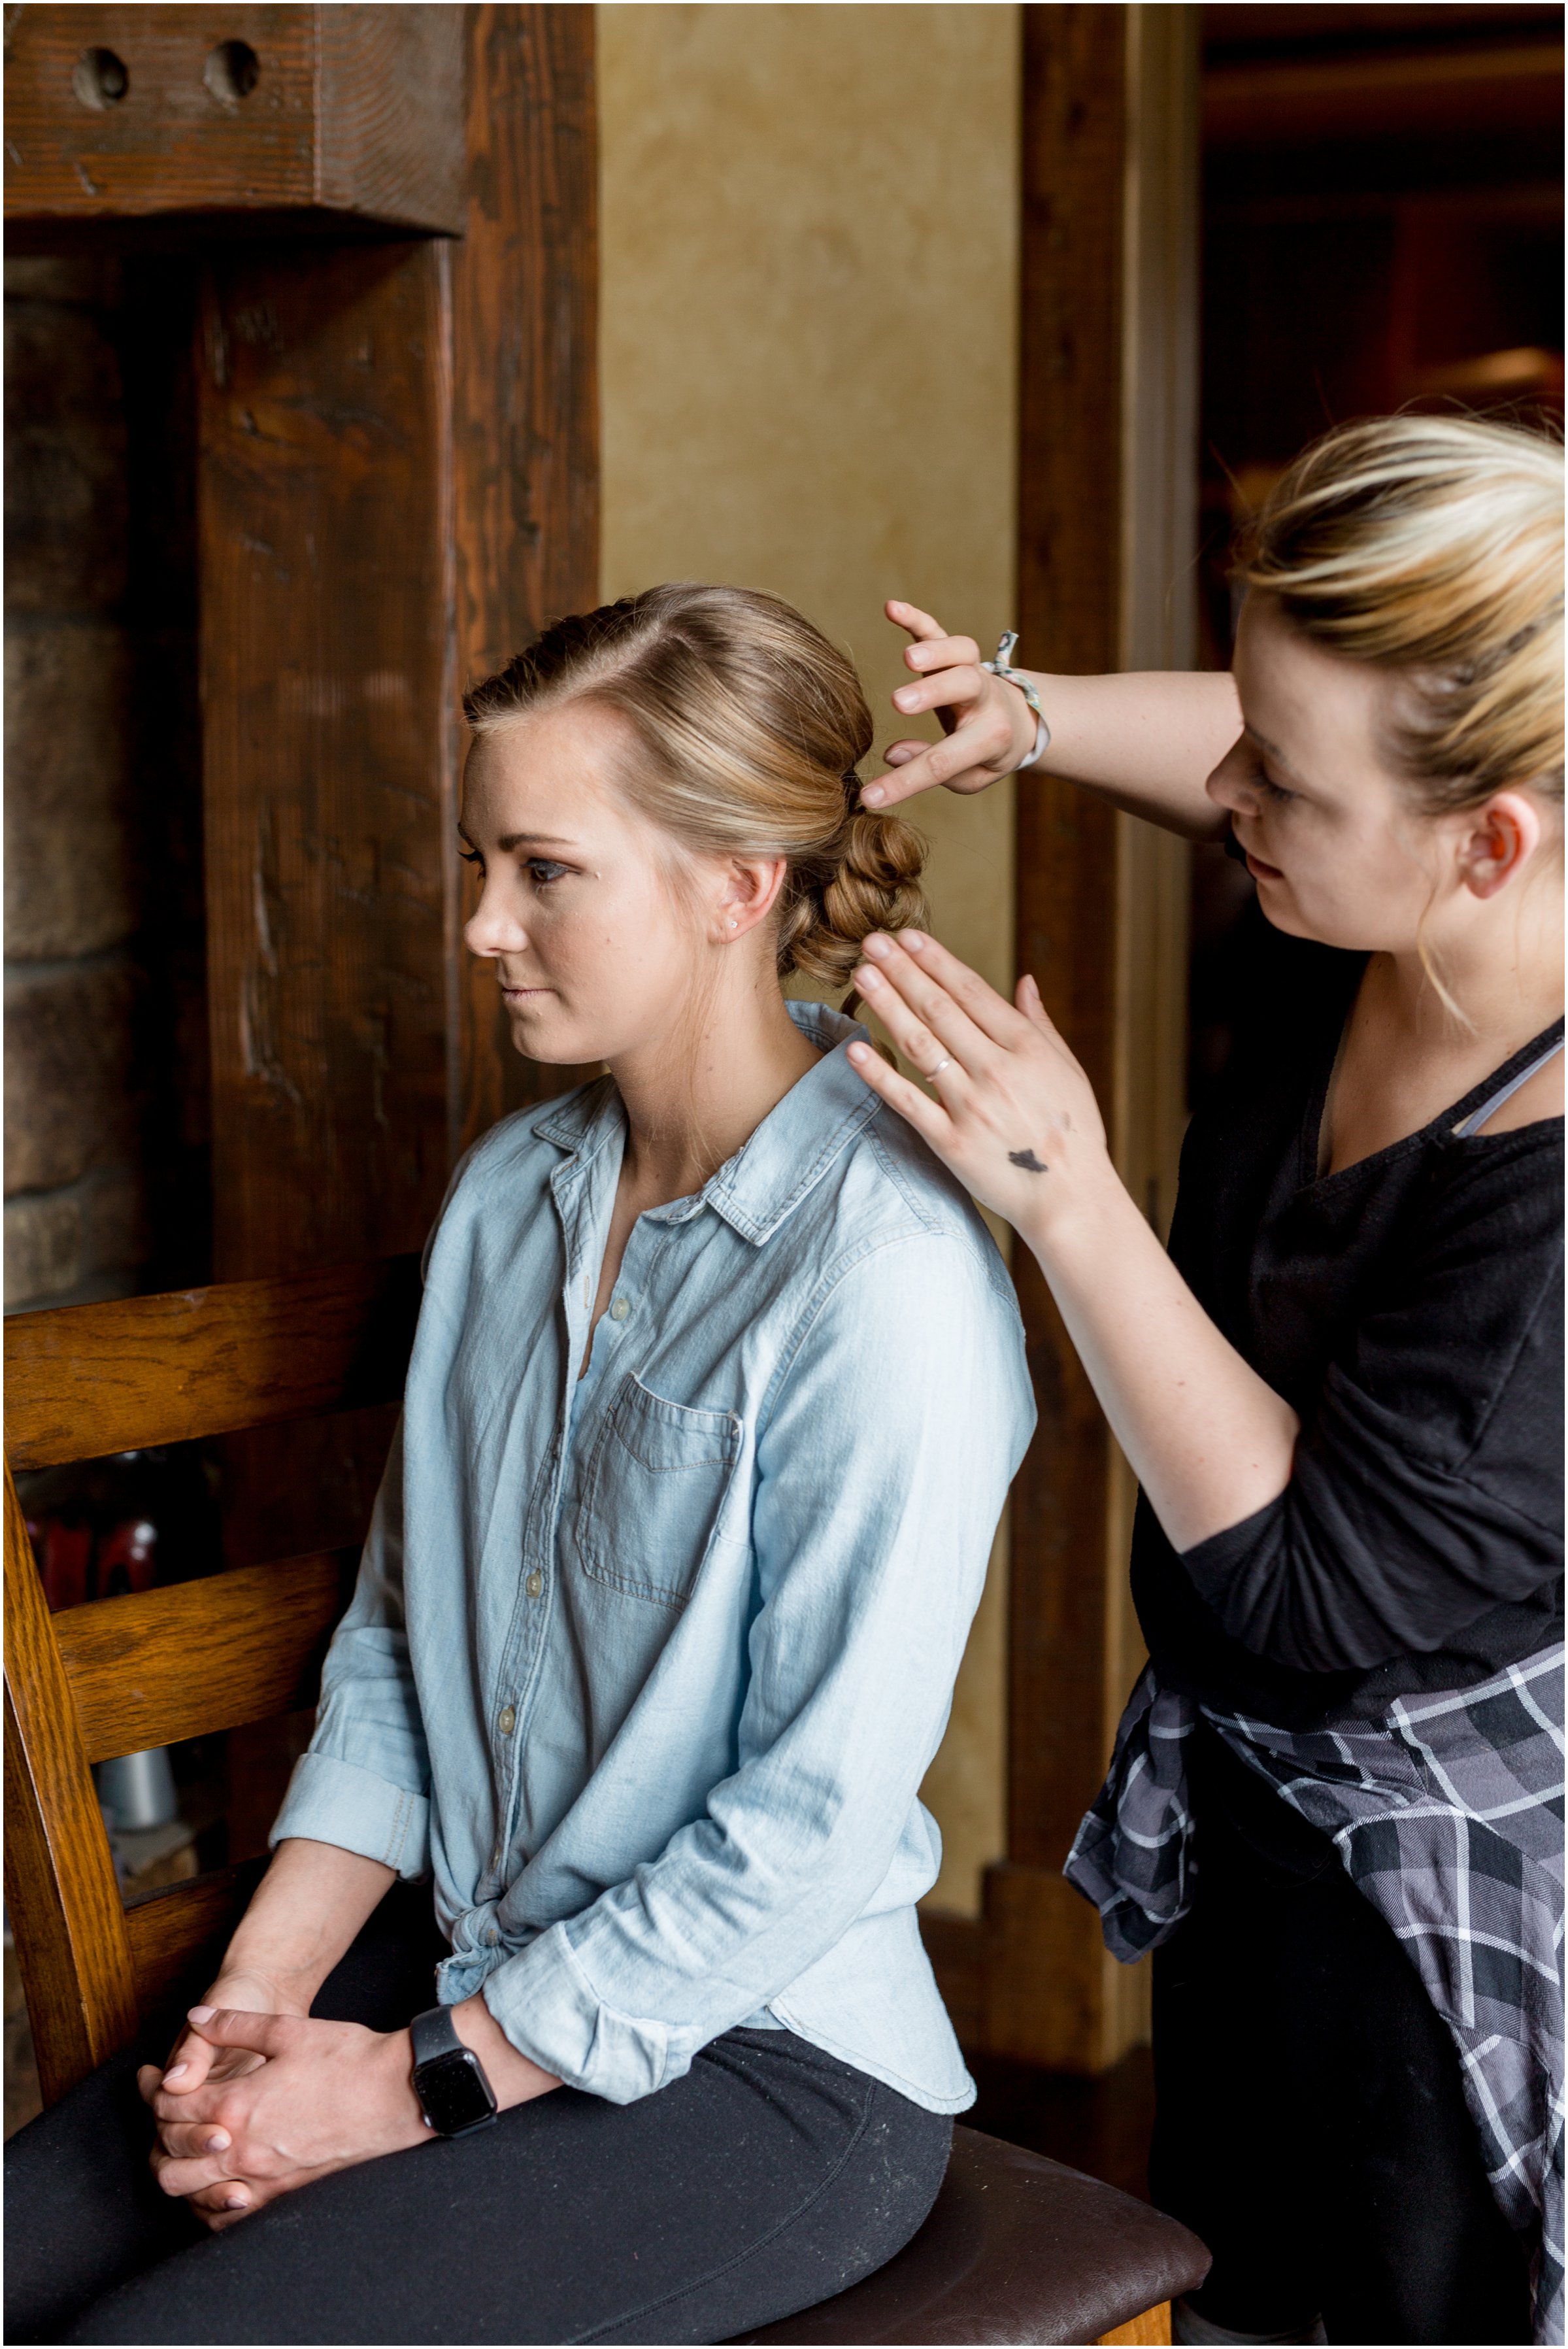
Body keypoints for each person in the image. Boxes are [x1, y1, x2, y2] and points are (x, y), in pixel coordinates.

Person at [5, 584, 1035, 2347]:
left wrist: (398, 2087)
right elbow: (407, 1651)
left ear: (736, 884)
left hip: (767, 2061)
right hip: (470, 1963)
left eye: (545, 869)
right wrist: (252, 2013)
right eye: (481, 861)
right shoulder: (507, 1198)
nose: (483, 923)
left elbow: (799, 1831)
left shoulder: (895, 1267)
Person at [842, 414, 1563, 2347]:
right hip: (1265, 1843)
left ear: (1490, 840)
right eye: (1239, 727)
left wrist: (1064, 1195)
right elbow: (1290, 746)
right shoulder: (1401, 890)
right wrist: (1037, 713)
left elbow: (1310, 1588)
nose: (1232, 792)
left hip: (1437, 1927)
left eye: (1282, 784)